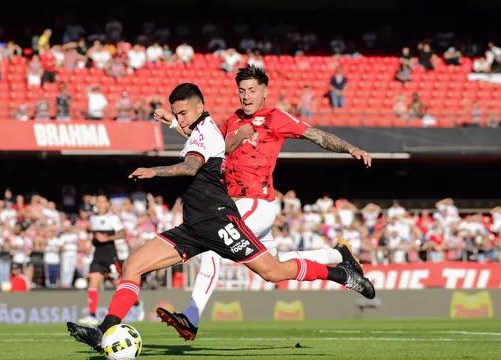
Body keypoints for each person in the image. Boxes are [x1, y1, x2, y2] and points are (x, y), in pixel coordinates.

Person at [66, 83, 374, 352]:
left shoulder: (214, 132)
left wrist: (153, 170)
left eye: (183, 112)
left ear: (200, 107)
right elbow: (205, 139)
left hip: (220, 221)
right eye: (178, 113)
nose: (180, 118)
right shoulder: (212, 128)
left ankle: (342, 275)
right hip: (193, 227)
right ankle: (104, 330)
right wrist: (173, 122)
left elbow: (189, 167)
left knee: (273, 272)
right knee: (133, 264)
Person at [154, 65, 372, 341]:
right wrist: (173, 123)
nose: (246, 96)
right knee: (275, 269)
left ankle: (191, 318)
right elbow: (208, 144)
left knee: (212, 243)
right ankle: (339, 259)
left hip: (256, 202)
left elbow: (317, 135)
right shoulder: (232, 120)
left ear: (264, 93)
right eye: (242, 91)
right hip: (237, 205)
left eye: (252, 90)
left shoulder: (275, 118)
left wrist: (350, 148)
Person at [78, 194, 127, 326]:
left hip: (110, 255)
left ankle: (136, 305)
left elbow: (123, 234)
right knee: (93, 282)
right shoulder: (93, 218)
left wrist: (107, 239)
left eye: (102, 202)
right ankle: (92, 315)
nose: (100, 204)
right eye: (98, 202)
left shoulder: (113, 218)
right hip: (97, 256)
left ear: (107, 204)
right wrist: (90, 243)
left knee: (119, 285)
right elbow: (94, 234)